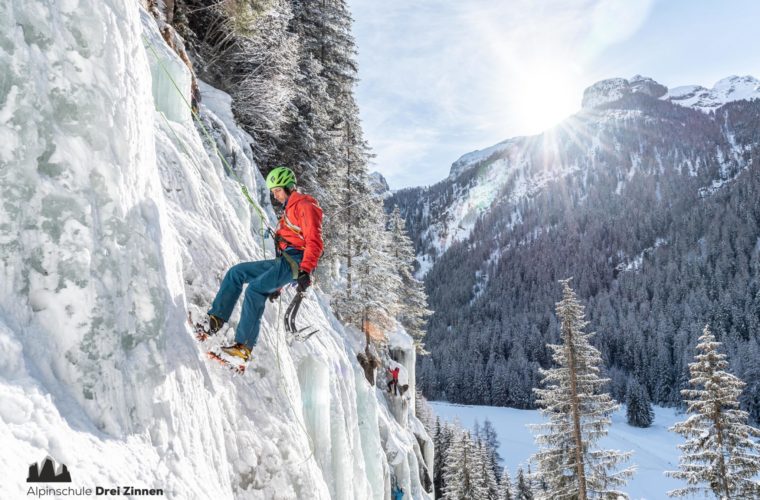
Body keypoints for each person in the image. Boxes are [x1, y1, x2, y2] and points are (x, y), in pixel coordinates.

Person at [205, 166, 323, 362]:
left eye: (277, 190)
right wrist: (278, 286)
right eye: (273, 191)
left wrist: (305, 271)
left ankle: (243, 348)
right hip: (285, 260)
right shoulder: (290, 209)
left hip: (296, 261)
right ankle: (215, 320)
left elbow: (315, 241)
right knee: (237, 273)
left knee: (254, 290)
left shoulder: (305, 206)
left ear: (288, 187)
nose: (275, 195)